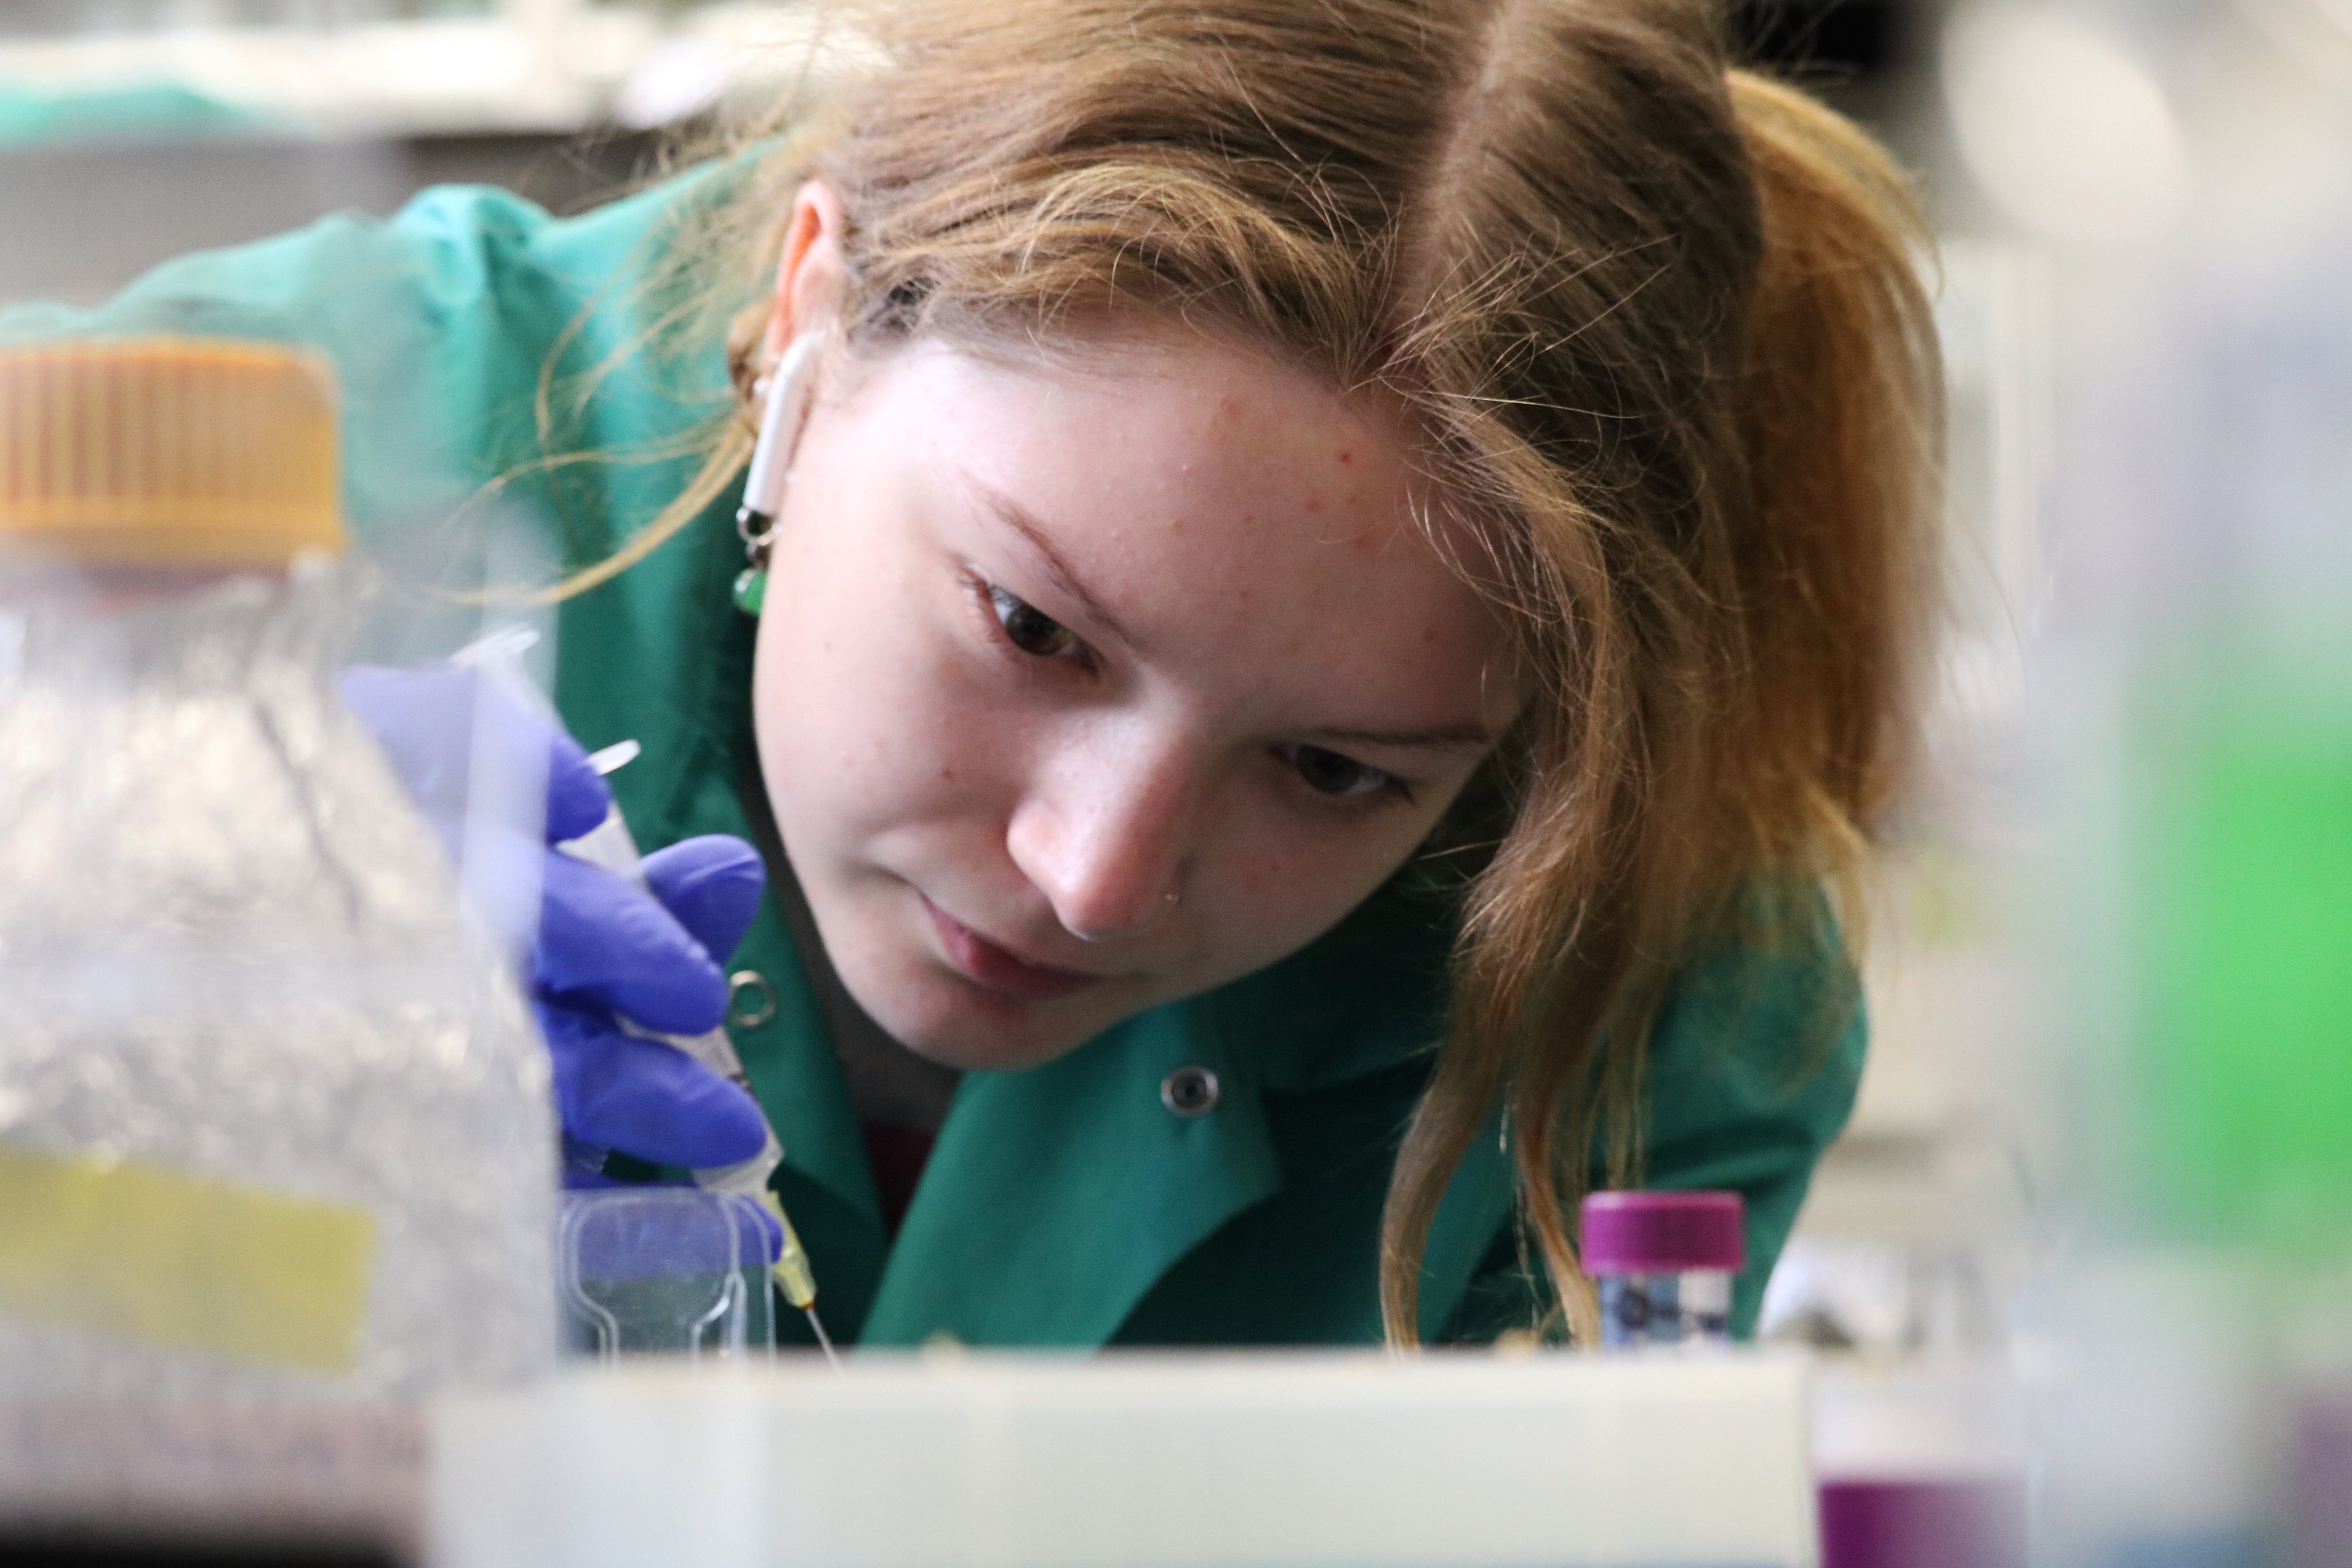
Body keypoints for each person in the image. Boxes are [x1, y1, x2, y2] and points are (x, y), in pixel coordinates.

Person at [4, 0, 1940, 1348]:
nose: (1097, 876)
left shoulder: (1638, 958)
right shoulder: (305, 457)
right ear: (812, 319)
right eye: (1032, 627)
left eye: (1341, 771)